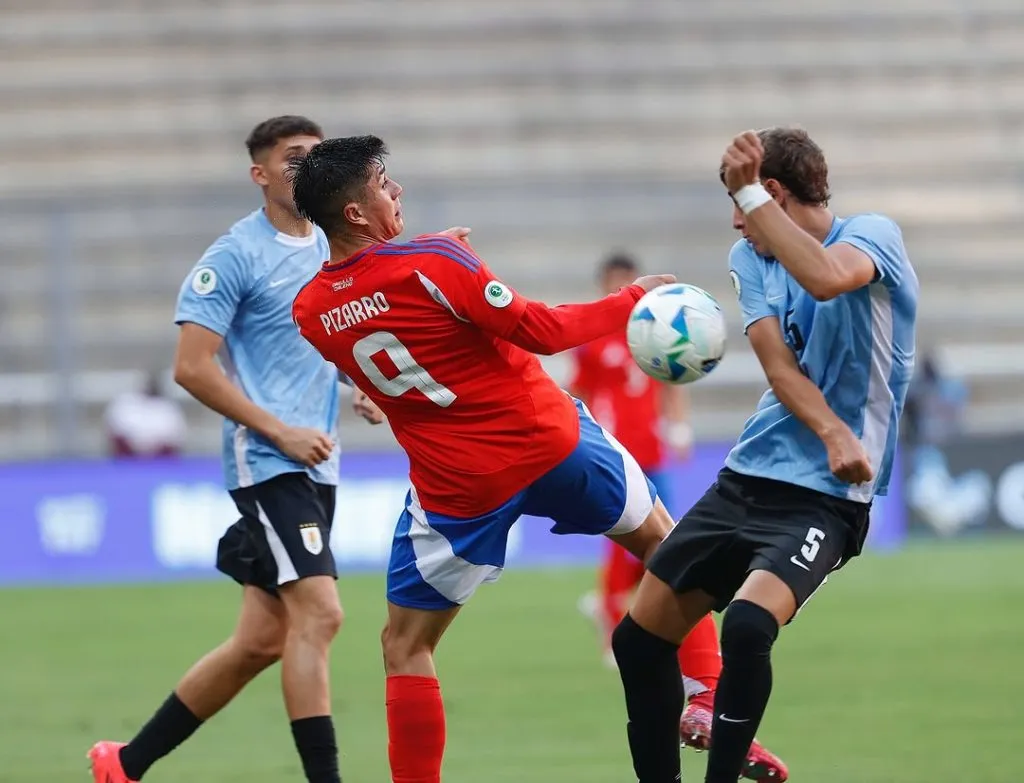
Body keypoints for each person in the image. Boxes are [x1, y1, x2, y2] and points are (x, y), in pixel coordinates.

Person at [289, 134, 678, 783]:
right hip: (547, 441)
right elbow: (542, 330)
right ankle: (714, 702)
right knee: (667, 547)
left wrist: (432, 266)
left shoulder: (311, 309)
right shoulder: (436, 258)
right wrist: (631, 298)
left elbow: (387, 330)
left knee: (405, 646)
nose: (397, 190)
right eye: (385, 183)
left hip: (458, 487)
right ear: (356, 212)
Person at [611, 126, 918, 783]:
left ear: (770, 192)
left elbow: (830, 278)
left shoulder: (872, 237)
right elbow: (778, 366)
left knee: (749, 625)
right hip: (746, 477)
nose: (733, 218)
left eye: (738, 200)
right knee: (637, 642)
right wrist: (832, 429)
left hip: (830, 497)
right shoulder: (750, 258)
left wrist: (840, 438)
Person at [88, 116, 384, 783]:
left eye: (314, 156)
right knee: (323, 611)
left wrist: (358, 383)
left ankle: (123, 764)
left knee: (259, 643)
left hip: (317, 460)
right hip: (270, 461)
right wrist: (277, 430)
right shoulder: (234, 256)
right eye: (291, 158)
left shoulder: (328, 245)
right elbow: (192, 367)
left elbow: (318, 339)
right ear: (261, 174)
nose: (305, 167)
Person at [569, 254, 787, 780]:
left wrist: (678, 427)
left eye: (627, 281)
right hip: (611, 451)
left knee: (665, 548)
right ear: (605, 285)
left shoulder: (654, 327)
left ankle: (697, 689)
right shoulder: (599, 338)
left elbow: (668, 383)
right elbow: (581, 387)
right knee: (660, 551)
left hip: (650, 451)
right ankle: (699, 690)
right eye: (614, 283)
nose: (622, 288)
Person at [105, 369, 187, 457]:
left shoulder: (169, 408)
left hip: (161, 461)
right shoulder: (125, 403)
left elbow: (176, 438)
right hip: (129, 458)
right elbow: (115, 431)